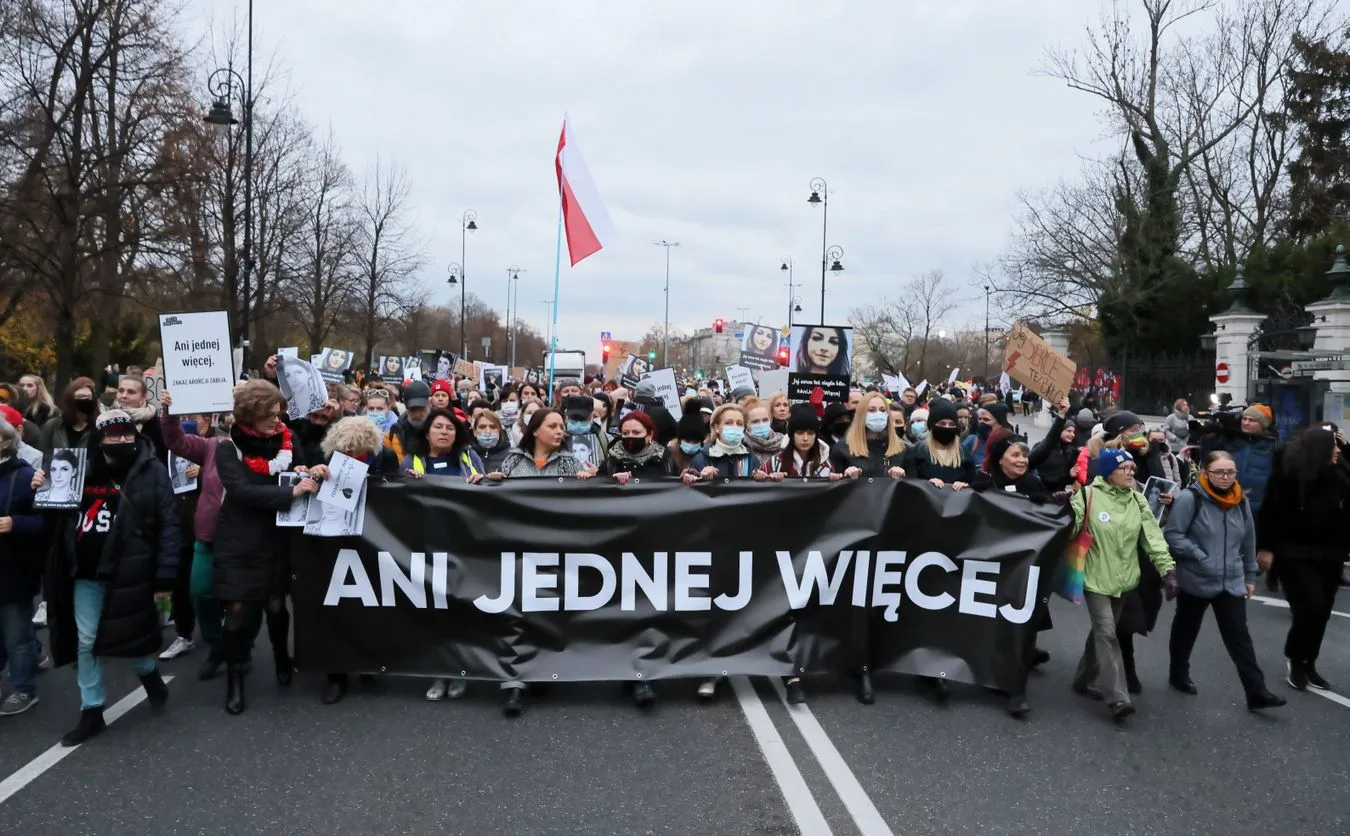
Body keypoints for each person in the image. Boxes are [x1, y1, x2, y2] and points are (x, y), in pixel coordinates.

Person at [39, 409, 179, 745]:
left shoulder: (152, 470)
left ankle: (148, 673)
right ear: (100, 439)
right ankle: (92, 710)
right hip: (85, 572)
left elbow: (169, 524)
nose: (121, 440)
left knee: (129, 637)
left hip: (130, 571)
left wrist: (166, 576)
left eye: (126, 434)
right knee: (87, 642)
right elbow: (54, 519)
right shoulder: (78, 469)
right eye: (113, 435)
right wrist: (43, 488)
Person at [213, 380, 319, 715]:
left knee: (275, 604)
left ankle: (280, 657)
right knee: (238, 608)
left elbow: (297, 469)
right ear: (250, 414)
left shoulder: (285, 440)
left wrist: (303, 470)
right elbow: (240, 491)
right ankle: (235, 677)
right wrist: (290, 493)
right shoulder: (227, 448)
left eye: (278, 414)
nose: (277, 421)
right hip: (239, 537)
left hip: (275, 534)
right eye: (270, 415)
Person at [1163, 451, 1286, 711]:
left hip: (1230, 580)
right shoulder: (1190, 498)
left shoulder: (1239, 500)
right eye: (1219, 472)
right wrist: (1199, 556)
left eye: (1230, 472)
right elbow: (1173, 535)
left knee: (1239, 636)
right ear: (1205, 473)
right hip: (1196, 578)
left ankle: (1257, 692)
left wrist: (1250, 575)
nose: (1226, 477)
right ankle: (1178, 673)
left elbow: (1248, 539)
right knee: (1186, 630)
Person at [1070, 448, 1178, 722]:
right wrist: (1066, 510)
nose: (1132, 472)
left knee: (1101, 632)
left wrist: (1168, 570)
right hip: (1095, 578)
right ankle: (1118, 697)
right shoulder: (1087, 495)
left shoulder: (1138, 500)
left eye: (1132, 468)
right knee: (1107, 633)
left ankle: (1082, 679)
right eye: (1125, 468)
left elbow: (1152, 537)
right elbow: (1070, 531)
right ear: (1108, 472)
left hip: (1126, 580)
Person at [305, 417, 398, 705]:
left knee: (368, 607)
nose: (350, 456)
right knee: (335, 609)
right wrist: (313, 473)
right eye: (346, 452)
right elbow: (306, 484)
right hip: (333, 544)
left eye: (357, 452)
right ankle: (336, 674)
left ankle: (368, 664)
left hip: (371, 543)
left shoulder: (385, 456)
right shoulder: (326, 458)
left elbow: (399, 492)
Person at [1256, 427, 1350, 692]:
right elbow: (1270, 513)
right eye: (1333, 446)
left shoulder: (1339, 473)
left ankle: (1310, 662)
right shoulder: (1288, 476)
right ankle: (1295, 658)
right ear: (1320, 450)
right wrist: (1266, 548)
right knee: (1309, 606)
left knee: (1322, 612)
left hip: (1331, 553)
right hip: (1294, 552)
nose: (1338, 451)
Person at [0, 417, 45, 717]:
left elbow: (45, 521)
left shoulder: (24, 475)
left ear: (5, 442)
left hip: (12, 569)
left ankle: (24, 689)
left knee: (16, 635)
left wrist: (15, 522)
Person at [828, 393, 907, 482]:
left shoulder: (902, 448)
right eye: (871, 410)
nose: (878, 414)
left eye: (882, 410)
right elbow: (833, 485)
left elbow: (915, 485)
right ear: (861, 414)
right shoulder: (842, 448)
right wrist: (844, 476)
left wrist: (903, 476)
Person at [902, 398, 974, 491]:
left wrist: (965, 485)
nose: (947, 427)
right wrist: (926, 483)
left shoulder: (964, 454)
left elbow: (973, 484)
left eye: (951, 424)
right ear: (931, 425)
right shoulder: (916, 452)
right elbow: (909, 483)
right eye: (942, 423)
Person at [401, 408, 488, 480]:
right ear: (427, 434)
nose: (444, 432)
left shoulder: (470, 456)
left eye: (450, 428)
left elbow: (484, 488)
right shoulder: (410, 461)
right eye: (438, 427)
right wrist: (407, 478)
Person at [685, 404, 764, 484]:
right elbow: (691, 489)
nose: (735, 426)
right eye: (729, 423)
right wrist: (700, 476)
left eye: (739, 424)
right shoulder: (701, 458)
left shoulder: (751, 458)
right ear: (717, 428)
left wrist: (763, 478)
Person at [762, 405, 832, 479]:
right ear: (792, 435)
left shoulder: (826, 465)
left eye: (810, 433)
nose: (805, 438)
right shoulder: (774, 463)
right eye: (800, 433)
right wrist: (765, 478)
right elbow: (761, 488)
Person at [604, 411, 669, 486]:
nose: (630, 436)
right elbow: (601, 484)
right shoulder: (612, 458)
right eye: (625, 433)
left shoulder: (663, 458)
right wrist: (612, 479)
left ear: (650, 435)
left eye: (636, 432)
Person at [39, 377, 101, 454]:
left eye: (89, 397)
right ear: (70, 399)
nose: (85, 400)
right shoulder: (53, 426)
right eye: (81, 396)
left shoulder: (98, 428)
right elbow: (43, 454)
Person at [382, 380, 430, 462]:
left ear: (430, 404)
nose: (417, 414)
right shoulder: (392, 435)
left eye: (421, 408)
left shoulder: (442, 431)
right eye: (413, 409)